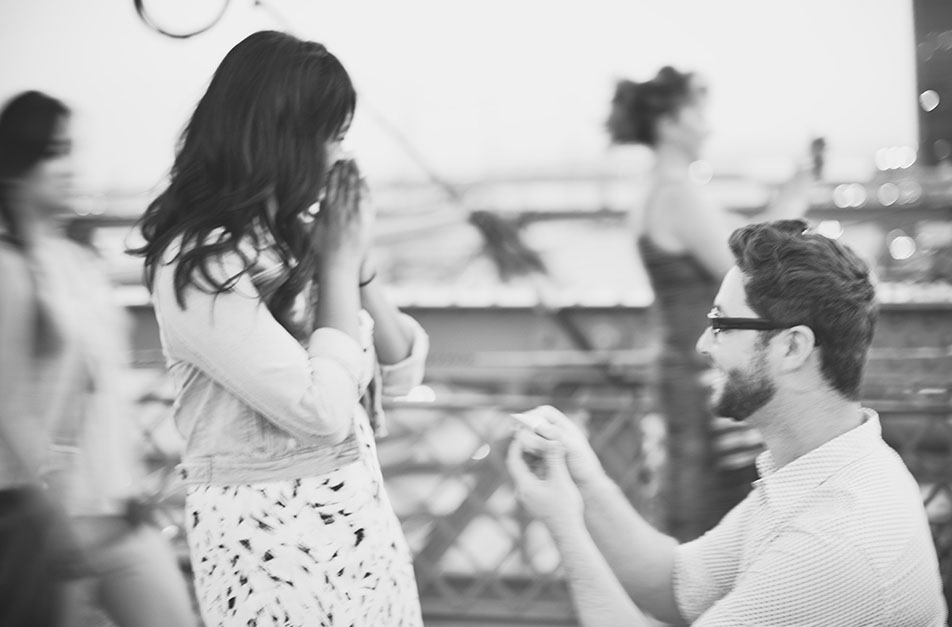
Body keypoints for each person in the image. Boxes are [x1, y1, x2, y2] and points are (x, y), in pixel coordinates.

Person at [130, 31, 429, 627]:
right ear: (284, 137)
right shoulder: (202, 263)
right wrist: (338, 266)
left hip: (357, 534)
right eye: (333, 135)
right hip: (269, 552)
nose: (341, 156)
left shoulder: (296, 239)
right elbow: (319, 411)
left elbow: (401, 371)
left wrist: (356, 263)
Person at [508, 219, 947, 625]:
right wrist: (584, 480)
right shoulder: (827, 472)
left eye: (721, 323)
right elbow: (674, 584)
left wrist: (563, 524)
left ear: (792, 348)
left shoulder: (834, 539)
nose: (703, 344)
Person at [0, 91, 196, 627]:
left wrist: (131, 485)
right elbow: (7, 404)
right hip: (53, 522)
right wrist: (52, 515)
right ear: (16, 164)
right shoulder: (10, 267)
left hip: (116, 510)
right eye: (54, 152)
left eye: (71, 150)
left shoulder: (77, 261)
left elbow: (105, 385)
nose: (69, 167)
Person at [607, 67, 814, 539]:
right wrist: (798, 195)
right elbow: (751, 263)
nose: (708, 126)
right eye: (698, 113)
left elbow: (747, 238)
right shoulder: (676, 194)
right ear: (669, 122)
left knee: (696, 501)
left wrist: (792, 192)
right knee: (711, 512)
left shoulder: (661, 190)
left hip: (685, 365)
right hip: (700, 374)